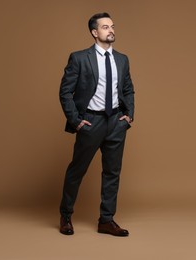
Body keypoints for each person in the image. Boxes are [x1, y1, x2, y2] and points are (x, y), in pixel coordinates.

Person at [58, 12, 135, 237]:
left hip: (116, 122)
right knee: (77, 171)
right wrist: (76, 120)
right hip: (91, 121)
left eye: (112, 26)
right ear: (94, 32)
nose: (111, 30)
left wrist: (129, 114)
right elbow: (65, 92)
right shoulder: (80, 58)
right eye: (105, 27)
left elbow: (128, 88)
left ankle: (106, 221)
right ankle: (65, 216)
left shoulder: (122, 59)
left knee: (112, 172)